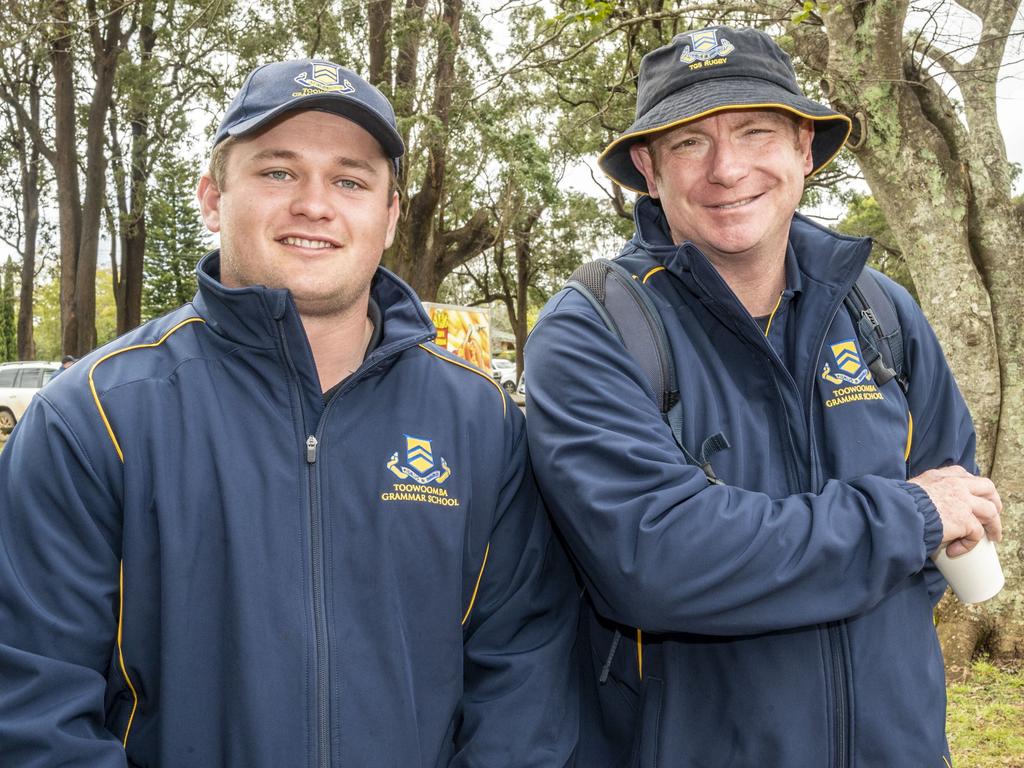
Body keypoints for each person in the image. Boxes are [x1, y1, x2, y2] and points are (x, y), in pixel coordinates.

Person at [0, 59, 578, 767]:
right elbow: (32, 703)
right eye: (278, 172)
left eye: (350, 180)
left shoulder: (480, 422)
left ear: (389, 216)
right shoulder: (93, 418)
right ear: (214, 199)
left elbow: (524, 675)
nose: (314, 203)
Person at [525, 26, 1002, 768]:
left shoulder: (882, 312)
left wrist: (933, 520)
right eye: (689, 143)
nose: (727, 168)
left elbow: (954, 505)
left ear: (804, 150)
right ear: (648, 169)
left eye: (756, 131)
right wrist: (906, 517)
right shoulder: (593, 327)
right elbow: (657, 558)